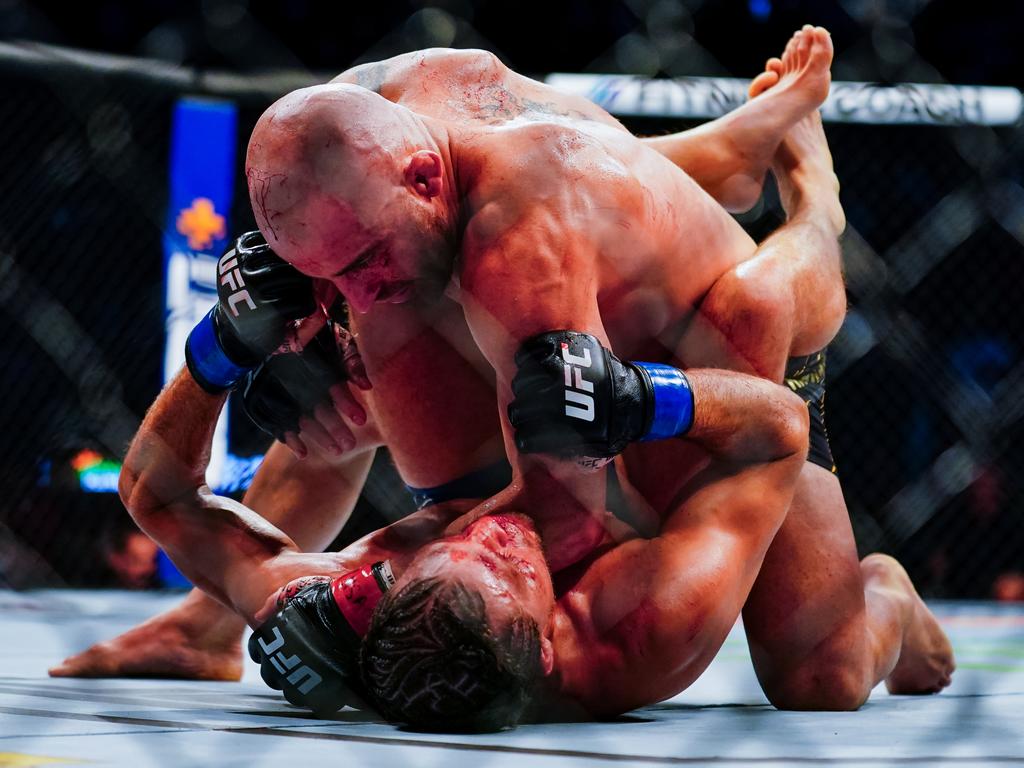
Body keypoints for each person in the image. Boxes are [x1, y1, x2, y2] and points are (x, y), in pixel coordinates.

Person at [53, 29, 953, 719]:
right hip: (694, 400)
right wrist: (297, 328)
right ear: (547, 639)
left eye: (355, 263)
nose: (498, 539)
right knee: (361, 349)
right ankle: (726, 152)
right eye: (332, 272)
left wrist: (224, 350)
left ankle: (812, 208)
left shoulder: (343, 598)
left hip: (718, 337)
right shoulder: (628, 629)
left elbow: (572, 501)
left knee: (755, 308)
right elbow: (718, 447)